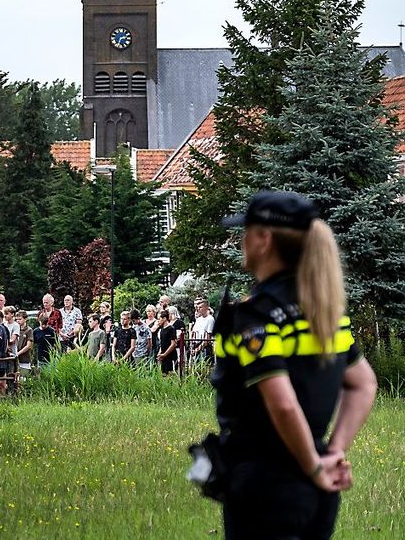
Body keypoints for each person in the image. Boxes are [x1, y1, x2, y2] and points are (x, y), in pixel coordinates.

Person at [213, 191, 377, 538]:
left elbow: (282, 402)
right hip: (315, 481)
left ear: (264, 239)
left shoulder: (257, 313)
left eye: (246, 231)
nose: (241, 240)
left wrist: (313, 466)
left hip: (265, 480)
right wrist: (331, 454)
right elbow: (363, 383)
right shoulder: (326, 311)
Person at [190, 297, 215, 363]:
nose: (198, 309)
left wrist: (197, 349)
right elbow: (194, 332)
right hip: (196, 343)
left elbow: (207, 337)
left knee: (205, 364)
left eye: (200, 307)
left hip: (204, 346)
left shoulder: (210, 319)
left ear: (206, 307)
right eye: (197, 307)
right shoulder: (198, 319)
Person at [157, 307, 180, 374]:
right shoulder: (161, 330)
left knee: (171, 374)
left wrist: (165, 354)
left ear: (164, 318)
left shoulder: (171, 328)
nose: (158, 321)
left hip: (170, 356)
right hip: (163, 355)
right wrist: (160, 353)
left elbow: (173, 344)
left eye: (159, 319)